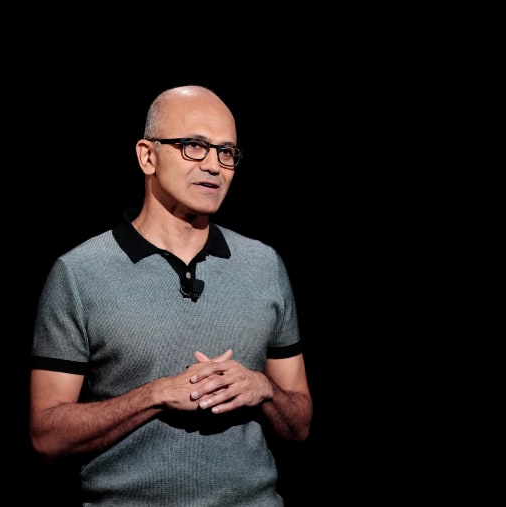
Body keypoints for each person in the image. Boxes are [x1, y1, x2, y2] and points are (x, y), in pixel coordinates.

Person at [29, 85, 313, 505]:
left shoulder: (264, 265)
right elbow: (46, 437)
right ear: (147, 155)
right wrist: (155, 394)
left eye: (226, 152)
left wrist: (263, 389)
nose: (214, 166)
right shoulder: (79, 272)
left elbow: (300, 423)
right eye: (194, 146)